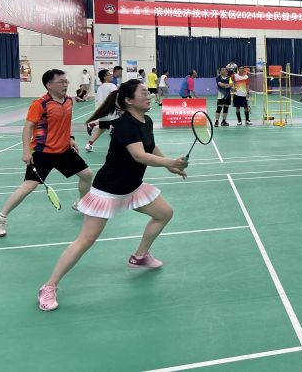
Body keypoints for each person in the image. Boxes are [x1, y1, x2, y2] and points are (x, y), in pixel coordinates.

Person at [36, 79, 188, 311]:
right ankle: (49, 287)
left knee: (164, 213)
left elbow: (150, 147)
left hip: (132, 186)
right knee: (85, 241)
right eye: (143, 92)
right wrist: (170, 162)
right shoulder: (125, 124)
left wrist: (170, 166)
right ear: (129, 100)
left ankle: (140, 256)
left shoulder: (146, 120)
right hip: (108, 190)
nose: (149, 95)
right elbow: (139, 156)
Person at [0, 70, 93, 238]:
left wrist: (70, 137)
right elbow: (28, 127)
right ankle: (0, 219)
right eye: (61, 82)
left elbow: (65, 123)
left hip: (64, 151)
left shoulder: (68, 101)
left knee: (87, 175)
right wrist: (26, 151)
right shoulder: (40, 104)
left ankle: (81, 203)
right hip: (43, 152)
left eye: (66, 81)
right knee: (28, 186)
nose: (65, 84)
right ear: (49, 85)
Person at [86, 69, 118, 153]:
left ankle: (89, 144)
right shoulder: (112, 86)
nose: (111, 75)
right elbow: (116, 99)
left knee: (101, 129)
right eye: (109, 74)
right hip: (113, 114)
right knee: (121, 128)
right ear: (104, 77)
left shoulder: (99, 88)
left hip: (103, 114)